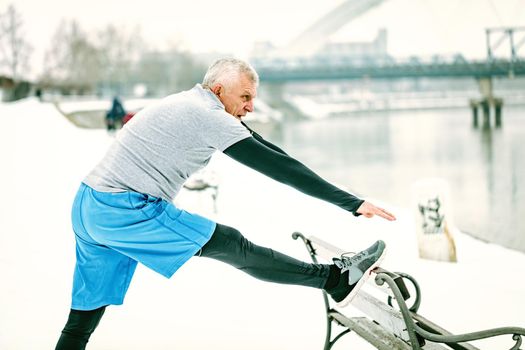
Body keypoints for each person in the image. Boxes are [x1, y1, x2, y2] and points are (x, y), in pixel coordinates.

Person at [55, 58, 396, 349]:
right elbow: (281, 169)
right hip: (124, 208)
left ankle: (335, 279)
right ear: (219, 90)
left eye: (253, 98)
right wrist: (352, 203)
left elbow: (271, 151)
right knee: (230, 243)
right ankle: (335, 280)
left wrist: (351, 200)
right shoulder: (207, 116)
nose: (250, 106)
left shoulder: (193, 104)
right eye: (245, 97)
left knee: (84, 316)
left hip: (88, 204)